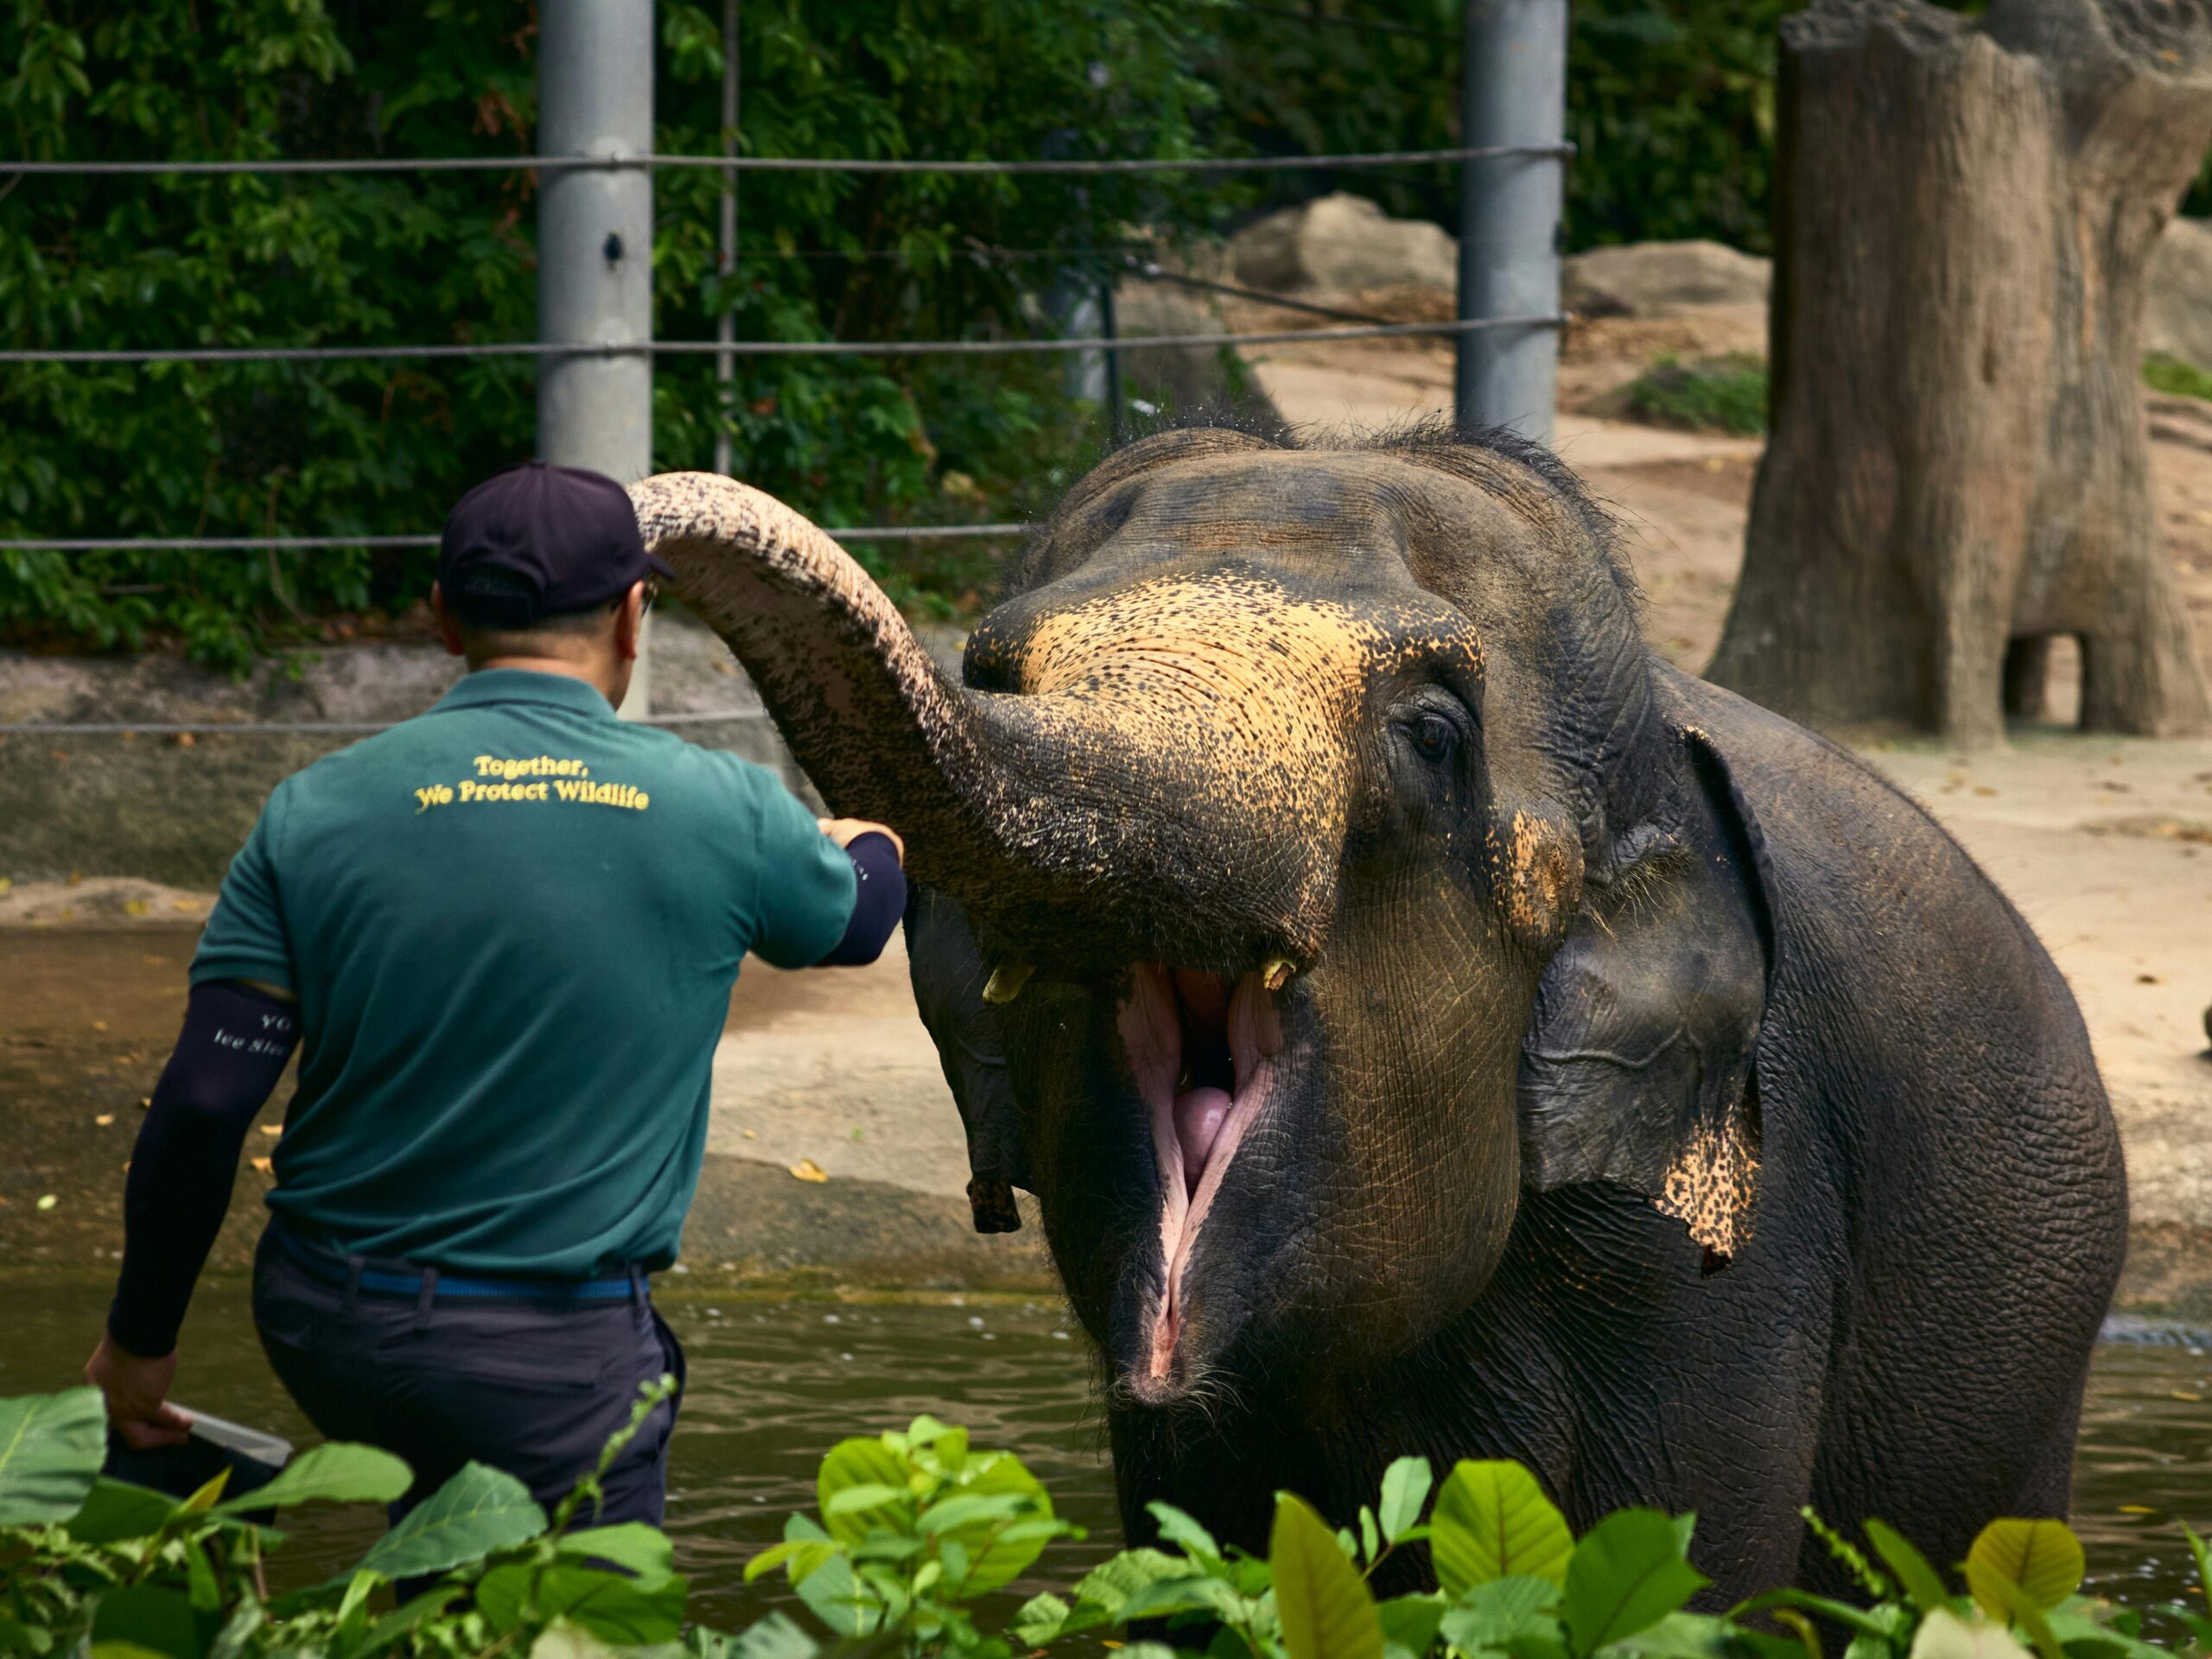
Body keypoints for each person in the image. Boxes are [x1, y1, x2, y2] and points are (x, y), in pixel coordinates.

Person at [83, 461, 907, 1529]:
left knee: (433, 1566)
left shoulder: (313, 811)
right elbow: (858, 922)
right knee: (577, 1627)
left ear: (441, 618)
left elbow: (203, 1103)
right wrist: (869, 838)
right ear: (631, 615)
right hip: (550, 1356)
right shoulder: (722, 807)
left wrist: (139, 1347)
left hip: (327, 1324)